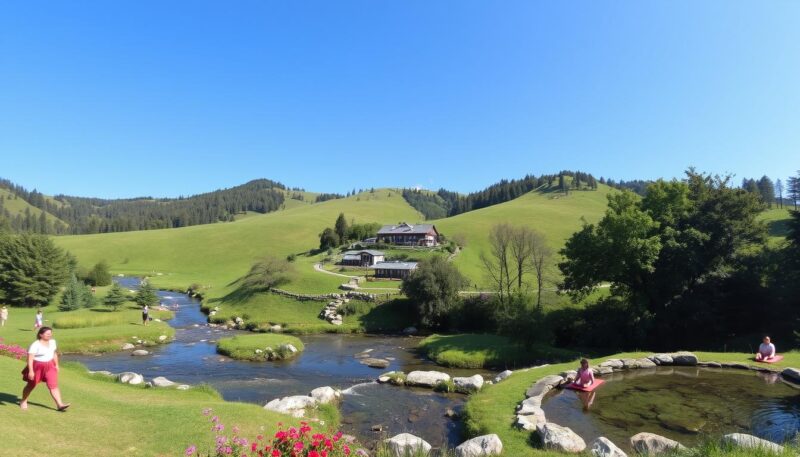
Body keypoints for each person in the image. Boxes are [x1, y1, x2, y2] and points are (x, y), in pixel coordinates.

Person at [20, 326, 70, 411]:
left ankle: (59, 404)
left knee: (53, 385)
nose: (50, 335)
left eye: (51, 333)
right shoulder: (35, 345)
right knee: (31, 385)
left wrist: (57, 365)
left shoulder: (53, 342)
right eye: (47, 334)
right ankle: (23, 401)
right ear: (41, 335)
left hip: (50, 366)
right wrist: (31, 371)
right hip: (37, 366)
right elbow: (30, 359)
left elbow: (54, 353)